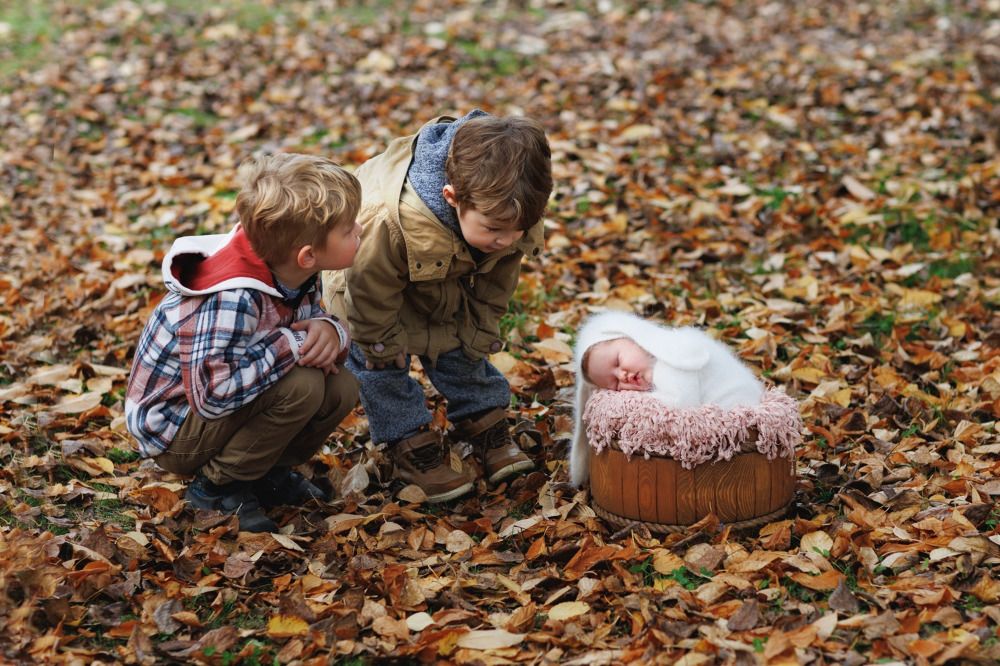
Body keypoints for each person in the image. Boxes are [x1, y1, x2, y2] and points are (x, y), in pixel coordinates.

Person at [323, 110, 552, 503]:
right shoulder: (389, 220)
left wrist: (479, 330)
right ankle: (409, 441)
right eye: (495, 230)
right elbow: (366, 288)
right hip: (365, 293)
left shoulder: (512, 207)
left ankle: (483, 420)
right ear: (452, 197)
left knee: (461, 345)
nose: (506, 239)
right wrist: (380, 343)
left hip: (442, 277)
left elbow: (498, 280)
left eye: (516, 231)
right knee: (382, 368)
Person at [125, 153, 362, 532]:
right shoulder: (232, 298)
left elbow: (305, 325)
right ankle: (218, 487)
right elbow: (213, 395)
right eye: (349, 230)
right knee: (302, 386)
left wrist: (330, 331)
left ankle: (267, 473)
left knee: (341, 386)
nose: (359, 230)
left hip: (225, 403)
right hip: (174, 429)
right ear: (308, 255)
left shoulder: (293, 269)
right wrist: (291, 343)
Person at [569, 311, 764, 487]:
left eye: (618, 361)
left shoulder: (671, 360)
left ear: (636, 340)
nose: (622, 375)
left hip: (740, 417)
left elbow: (679, 404)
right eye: (614, 384)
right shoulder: (655, 364)